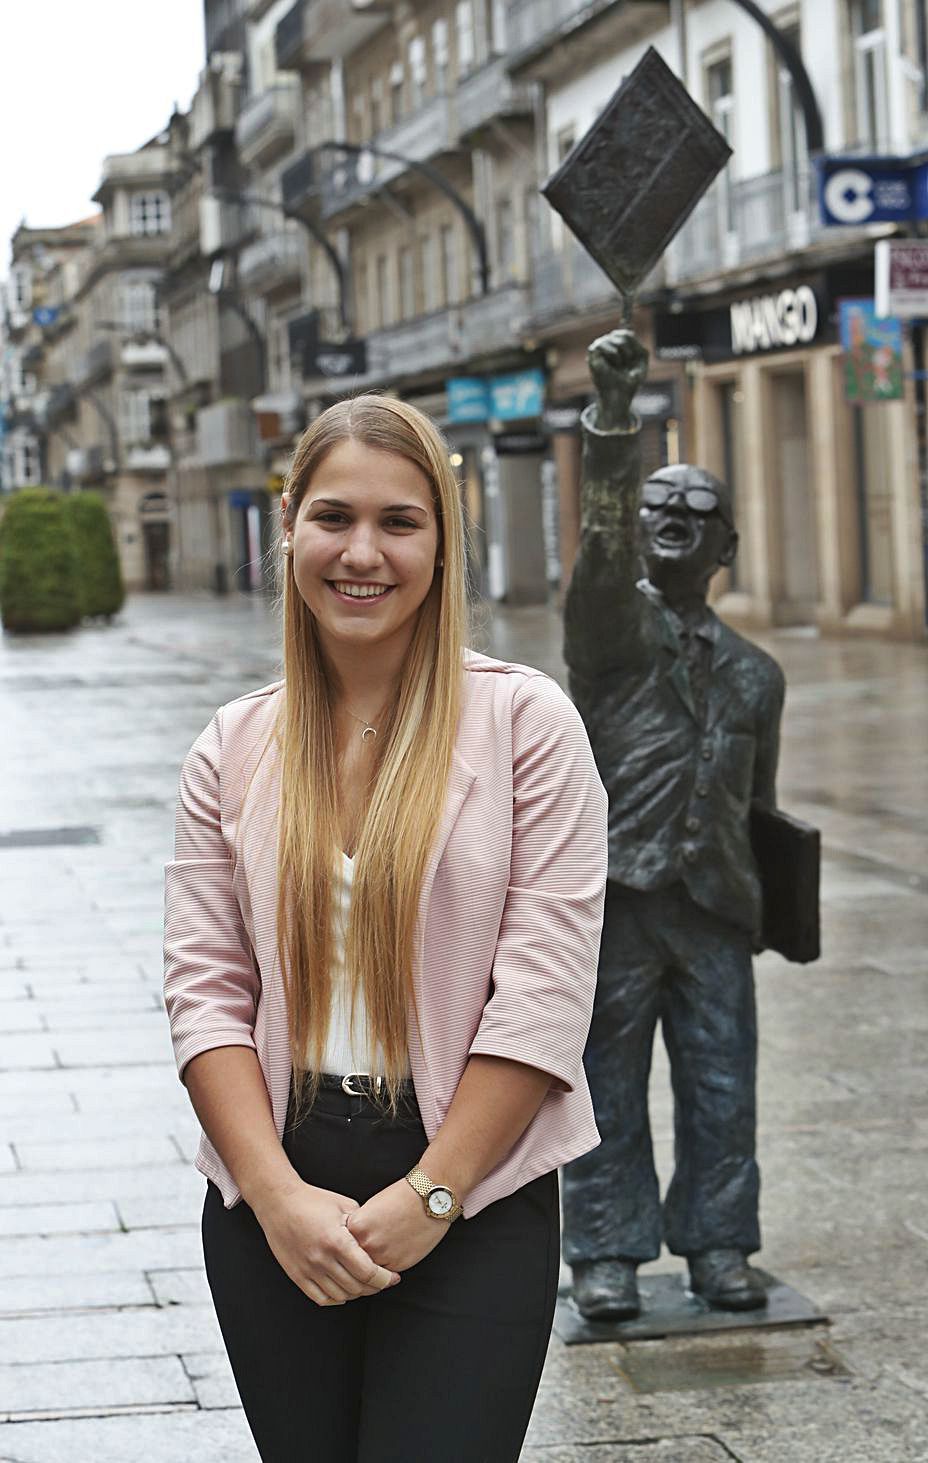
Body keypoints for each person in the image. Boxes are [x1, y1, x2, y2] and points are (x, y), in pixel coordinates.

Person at [164, 394, 607, 1462]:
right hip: (278, 1181)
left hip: (475, 1181)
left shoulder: (524, 725)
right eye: (334, 516)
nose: (362, 552)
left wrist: (432, 1192)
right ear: (288, 524)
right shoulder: (233, 745)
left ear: (444, 541)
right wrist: (273, 1198)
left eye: (400, 522)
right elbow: (204, 994)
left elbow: (541, 997)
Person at [560, 330, 785, 1321]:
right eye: (659, 508)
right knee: (605, 1088)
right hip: (614, 901)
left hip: (712, 909)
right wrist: (615, 418)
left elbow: (757, 804)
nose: (672, 521)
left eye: (696, 512)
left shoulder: (753, 674)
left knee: (721, 1084)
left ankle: (720, 1244)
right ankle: (605, 1251)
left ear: (728, 546)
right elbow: (604, 543)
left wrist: (776, 902)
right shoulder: (612, 634)